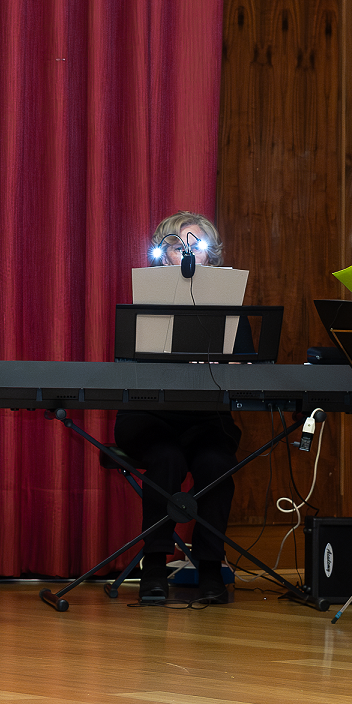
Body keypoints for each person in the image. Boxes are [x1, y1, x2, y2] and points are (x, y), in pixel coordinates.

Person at [117, 212, 241, 606]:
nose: (187, 253)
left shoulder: (230, 305)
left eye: (196, 245)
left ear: (210, 255)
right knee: (166, 460)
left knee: (216, 464)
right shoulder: (144, 302)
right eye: (176, 246)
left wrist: (232, 365)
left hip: (206, 419)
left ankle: (210, 568)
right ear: (163, 255)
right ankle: (154, 566)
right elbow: (126, 366)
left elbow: (250, 367)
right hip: (150, 418)